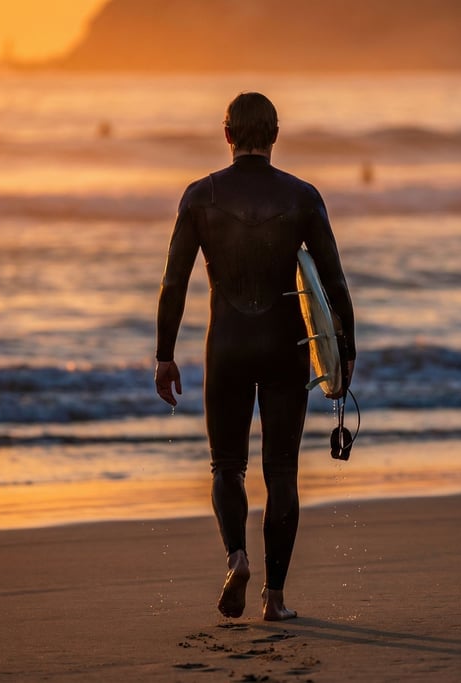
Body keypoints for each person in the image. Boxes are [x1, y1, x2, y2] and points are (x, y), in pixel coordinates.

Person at [154, 92, 355, 621]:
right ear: (274, 135)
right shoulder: (304, 197)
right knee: (282, 469)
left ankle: (237, 557)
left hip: (226, 348)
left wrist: (163, 355)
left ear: (227, 135)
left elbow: (174, 283)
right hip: (285, 348)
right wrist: (345, 353)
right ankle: (277, 600)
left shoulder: (201, 197)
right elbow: (332, 281)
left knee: (226, 465)